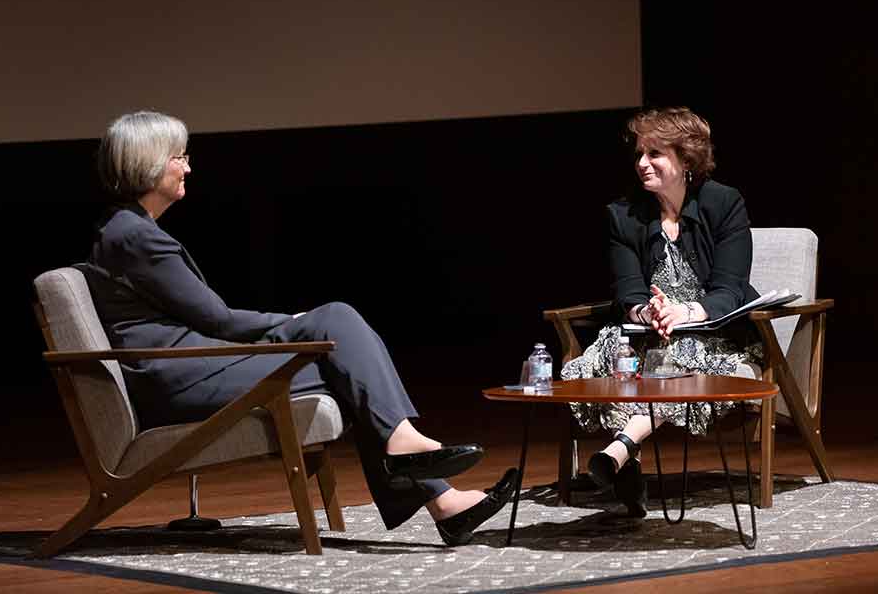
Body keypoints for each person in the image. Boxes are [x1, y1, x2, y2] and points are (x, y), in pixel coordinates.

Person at [82, 110, 515, 546]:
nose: (188, 168)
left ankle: (436, 491)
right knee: (338, 330)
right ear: (149, 163)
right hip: (179, 378)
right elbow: (217, 320)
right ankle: (422, 471)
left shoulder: (125, 229)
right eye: (179, 157)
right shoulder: (136, 237)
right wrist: (291, 324)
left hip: (187, 368)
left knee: (345, 350)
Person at [561, 106, 763, 517]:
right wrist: (646, 312)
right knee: (613, 361)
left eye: (654, 154)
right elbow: (628, 291)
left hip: (714, 336)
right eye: (639, 153)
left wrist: (683, 312)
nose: (642, 163)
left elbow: (730, 290)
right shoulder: (624, 214)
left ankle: (621, 449)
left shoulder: (724, 203)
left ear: (686, 159)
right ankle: (625, 463)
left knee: (671, 359)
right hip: (647, 334)